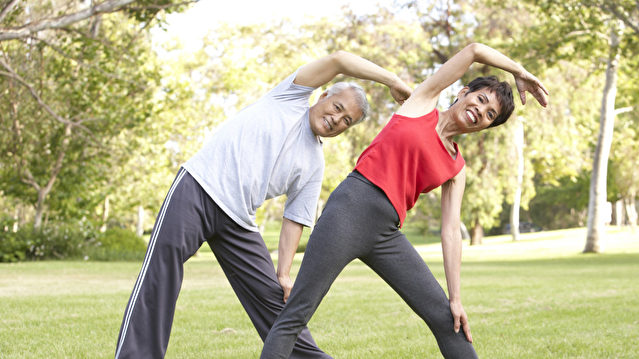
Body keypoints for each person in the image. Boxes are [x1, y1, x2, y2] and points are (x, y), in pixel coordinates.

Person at [114, 51, 412, 359]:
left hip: (239, 221)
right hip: (199, 188)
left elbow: (295, 217)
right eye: (337, 108)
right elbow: (338, 60)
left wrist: (283, 273)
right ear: (323, 95)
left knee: (274, 299)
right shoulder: (290, 97)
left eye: (346, 121)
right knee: (161, 271)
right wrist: (392, 80)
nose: (337, 119)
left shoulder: (314, 163)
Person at [259, 42, 549, 359]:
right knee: (296, 313)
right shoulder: (422, 103)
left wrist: (456, 298)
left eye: (490, 114)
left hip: (386, 231)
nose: (480, 111)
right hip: (350, 209)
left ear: (487, 126)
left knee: (446, 318)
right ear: (464, 92)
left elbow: (451, 232)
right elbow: (475, 50)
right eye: (480, 99)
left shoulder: (457, 167)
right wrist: (518, 71)